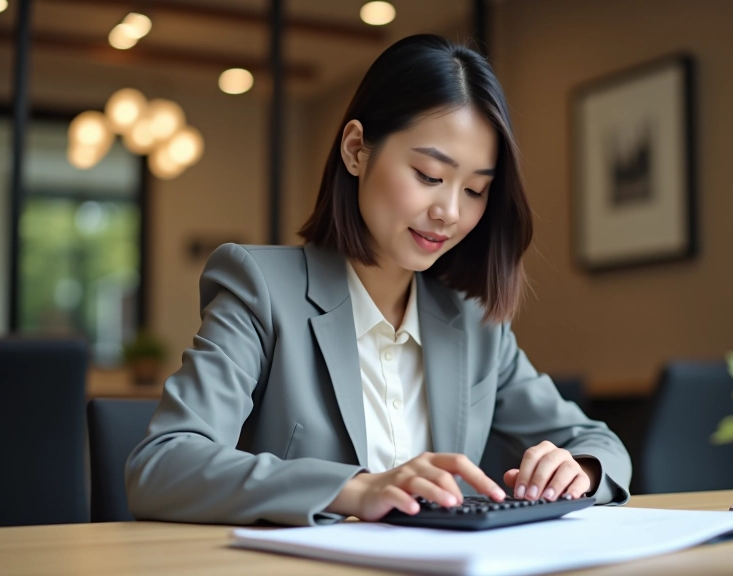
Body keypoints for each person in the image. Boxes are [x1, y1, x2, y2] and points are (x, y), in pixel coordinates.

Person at [126, 34, 631, 527]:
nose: (450, 212)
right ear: (356, 150)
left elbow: (601, 445)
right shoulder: (261, 289)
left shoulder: (473, 322)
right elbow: (163, 464)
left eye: (475, 190)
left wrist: (578, 470)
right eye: (429, 175)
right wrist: (356, 489)